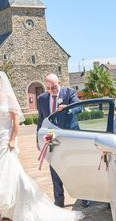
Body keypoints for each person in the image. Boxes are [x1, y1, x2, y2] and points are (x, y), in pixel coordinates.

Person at [0, 71, 83, 221]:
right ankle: (11, 208)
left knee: (0, 175)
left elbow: (15, 123)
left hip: (6, 141)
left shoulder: (8, 99)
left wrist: (12, 139)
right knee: (8, 176)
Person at [36, 73, 89, 208]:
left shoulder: (69, 93)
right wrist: (38, 138)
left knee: (76, 166)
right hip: (52, 136)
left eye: (53, 87)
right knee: (55, 167)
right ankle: (59, 201)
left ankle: (84, 196)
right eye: (48, 88)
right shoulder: (42, 98)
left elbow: (79, 107)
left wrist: (68, 108)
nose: (51, 91)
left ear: (59, 83)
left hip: (70, 135)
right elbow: (41, 119)